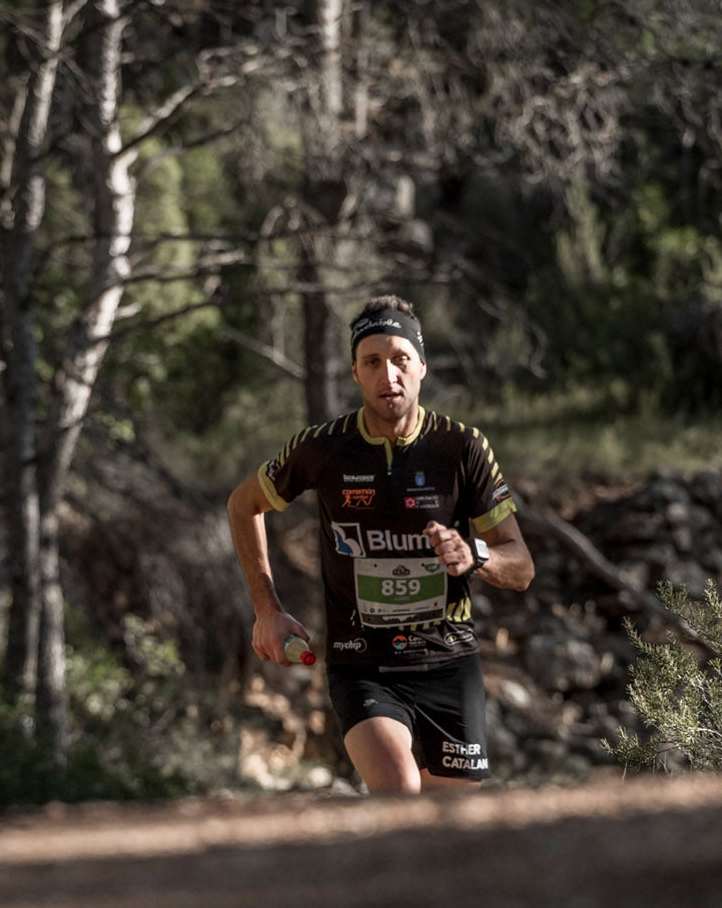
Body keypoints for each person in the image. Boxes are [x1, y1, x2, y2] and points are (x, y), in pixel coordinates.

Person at [227, 295, 534, 793]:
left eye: (399, 359)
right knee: (398, 788)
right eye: (372, 362)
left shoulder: (462, 448)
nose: (387, 375)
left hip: (449, 661)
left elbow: (521, 567)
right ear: (355, 373)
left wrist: (473, 554)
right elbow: (244, 506)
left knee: (446, 824)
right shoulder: (322, 448)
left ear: (421, 368)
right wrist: (267, 608)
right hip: (362, 663)